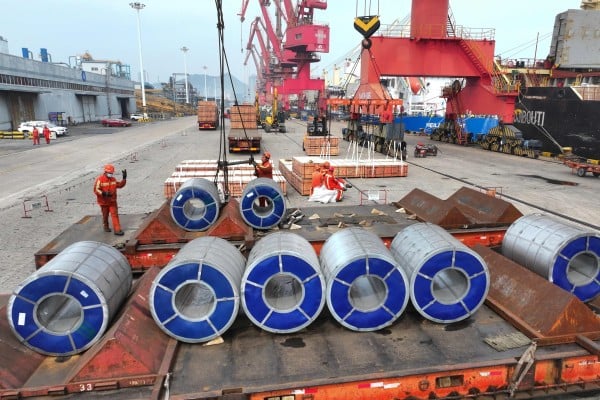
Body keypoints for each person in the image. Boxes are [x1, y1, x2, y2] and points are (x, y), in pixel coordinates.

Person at [93, 164, 127, 235]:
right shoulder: (100, 180)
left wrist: (124, 179)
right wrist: (104, 193)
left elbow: (120, 185)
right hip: (103, 202)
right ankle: (106, 226)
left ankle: (117, 230)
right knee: (105, 215)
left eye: (112, 173)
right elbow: (96, 190)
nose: (111, 174)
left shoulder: (113, 179)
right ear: (105, 172)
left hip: (112, 201)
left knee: (114, 215)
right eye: (110, 173)